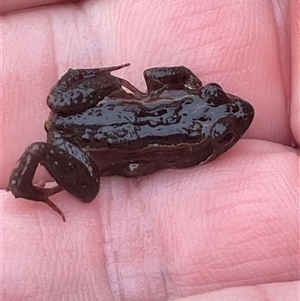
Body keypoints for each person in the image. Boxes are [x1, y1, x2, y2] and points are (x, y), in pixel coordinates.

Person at [2, 1, 299, 300]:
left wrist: (192, 89)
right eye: (213, 94)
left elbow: (155, 75)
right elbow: (133, 167)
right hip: (74, 144)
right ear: (193, 154)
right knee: (88, 190)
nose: (230, 103)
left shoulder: (171, 95)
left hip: (76, 109)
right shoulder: (177, 151)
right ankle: (27, 174)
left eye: (212, 95)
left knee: (82, 124)